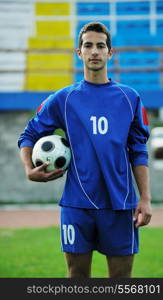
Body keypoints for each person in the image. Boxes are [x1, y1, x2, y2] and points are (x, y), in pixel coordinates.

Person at [18, 22, 152, 278]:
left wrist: (145, 198)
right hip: (76, 205)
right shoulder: (63, 98)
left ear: (109, 52)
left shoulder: (129, 98)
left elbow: (138, 149)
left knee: (121, 281)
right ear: (78, 52)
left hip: (120, 204)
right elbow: (28, 135)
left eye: (100, 46)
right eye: (88, 45)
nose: (94, 51)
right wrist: (28, 169)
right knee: (77, 277)